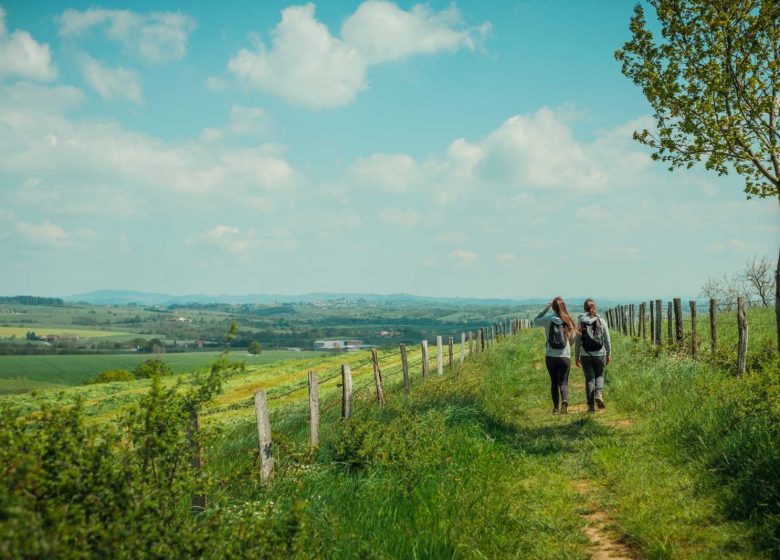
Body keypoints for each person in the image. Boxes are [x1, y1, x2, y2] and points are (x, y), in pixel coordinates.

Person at [533, 297, 576, 414]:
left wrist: (545, 309)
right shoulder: (568, 321)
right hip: (565, 356)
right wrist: (568, 346)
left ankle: (556, 408)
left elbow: (536, 320)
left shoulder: (548, 319)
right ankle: (565, 401)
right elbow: (573, 339)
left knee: (554, 382)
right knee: (563, 382)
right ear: (563, 307)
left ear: (553, 307)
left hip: (550, 356)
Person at [574, 298, 612, 413]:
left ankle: (590, 407)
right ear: (594, 307)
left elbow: (577, 341)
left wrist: (576, 357)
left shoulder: (581, 322)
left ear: (585, 308)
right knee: (599, 375)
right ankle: (599, 394)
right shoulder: (602, 321)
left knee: (590, 379)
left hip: (585, 354)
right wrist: (609, 354)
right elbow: (607, 340)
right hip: (600, 354)